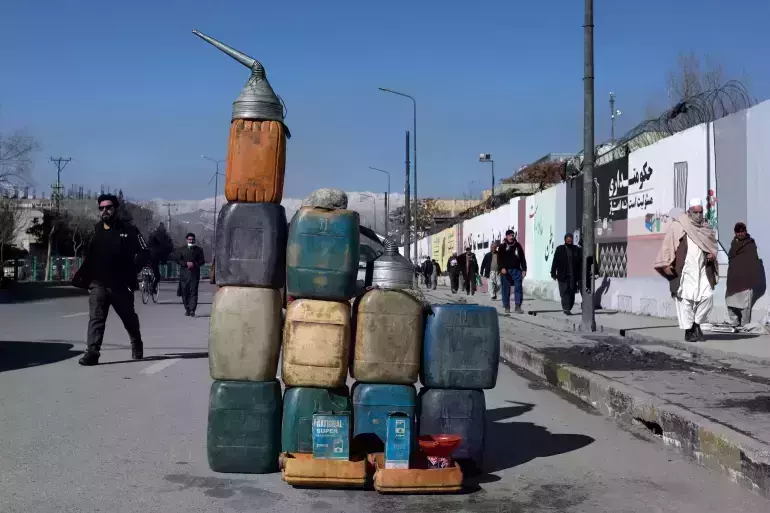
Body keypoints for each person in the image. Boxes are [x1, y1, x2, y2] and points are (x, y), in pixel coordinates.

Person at [71, 193, 149, 366]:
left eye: (108, 207)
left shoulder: (129, 230)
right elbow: (90, 256)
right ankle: (93, 352)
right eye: (101, 208)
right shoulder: (96, 230)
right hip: (98, 283)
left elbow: (145, 252)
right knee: (96, 318)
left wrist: (133, 269)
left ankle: (136, 342)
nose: (105, 211)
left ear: (116, 209)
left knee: (129, 318)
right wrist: (83, 277)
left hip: (121, 285)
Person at [654, 198, 718, 342]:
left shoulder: (706, 227)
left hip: (702, 269)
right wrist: (666, 264)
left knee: (707, 297)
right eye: (695, 212)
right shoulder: (678, 226)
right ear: (689, 212)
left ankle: (696, 324)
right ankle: (689, 331)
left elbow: (712, 246)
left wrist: (711, 254)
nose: (699, 215)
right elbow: (668, 246)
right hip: (684, 270)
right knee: (685, 301)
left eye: (701, 212)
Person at [725, 222, 762, 327]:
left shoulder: (750, 243)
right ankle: (734, 322)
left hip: (745, 278)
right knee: (730, 301)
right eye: (738, 232)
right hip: (733, 277)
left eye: (742, 231)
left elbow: (753, 261)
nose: (740, 234)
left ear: (746, 232)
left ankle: (745, 324)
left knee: (745, 304)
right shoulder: (734, 243)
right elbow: (731, 257)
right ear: (735, 233)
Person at [551, 234, 582, 315]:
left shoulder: (576, 249)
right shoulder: (560, 249)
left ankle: (569, 307)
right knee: (564, 292)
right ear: (565, 240)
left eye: (570, 240)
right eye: (568, 240)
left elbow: (580, 263)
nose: (569, 241)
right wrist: (553, 273)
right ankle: (566, 308)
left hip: (573, 275)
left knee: (572, 292)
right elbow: (555, 261)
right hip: (562, 275)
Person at [177, 233, 206, 317]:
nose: (191, 240)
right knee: (185, 292)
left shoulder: (199, 250)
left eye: (192, 239)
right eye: (189, 239)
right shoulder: (181, 249)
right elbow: (178, 260)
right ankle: (187, 309)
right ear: (187, 240)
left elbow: (202, 261)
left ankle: (192, 309)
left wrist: (194, 264)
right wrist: (185, 263)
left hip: (194, 273)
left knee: (193, 291)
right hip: (184, 274)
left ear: (194, 239)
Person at [498, 230, 527, 314]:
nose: (512, 237)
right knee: (506, 289)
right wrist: (502, 268)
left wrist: (524, 269)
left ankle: (518, 306)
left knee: (518, 288)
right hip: (506, 271)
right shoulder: (502, 246)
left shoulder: (517, 245)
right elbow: (499, 259)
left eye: (512, 235)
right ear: (506, 236)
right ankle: (506, 306)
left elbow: (522, 258)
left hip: (517, 270)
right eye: (510, 235)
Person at [148, 222, 173, 293]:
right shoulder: (164, 237)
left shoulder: (151, 235)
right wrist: (163, 260)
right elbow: (167, 248)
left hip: (145, 257)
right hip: (154, 258)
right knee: (157, 276)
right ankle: (153, 288)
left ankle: (147, 280)